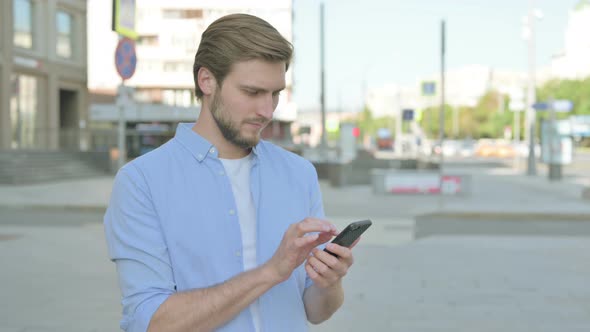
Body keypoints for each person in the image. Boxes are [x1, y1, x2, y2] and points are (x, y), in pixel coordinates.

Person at [104, 13, 360, 332]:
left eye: (275, 93)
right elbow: (153, 322)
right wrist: (271, 271)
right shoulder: (141, 182)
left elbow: (316, 311)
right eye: (252, 92)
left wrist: (329, 283)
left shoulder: (299, 173)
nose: (267, 111)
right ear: (207, 81)